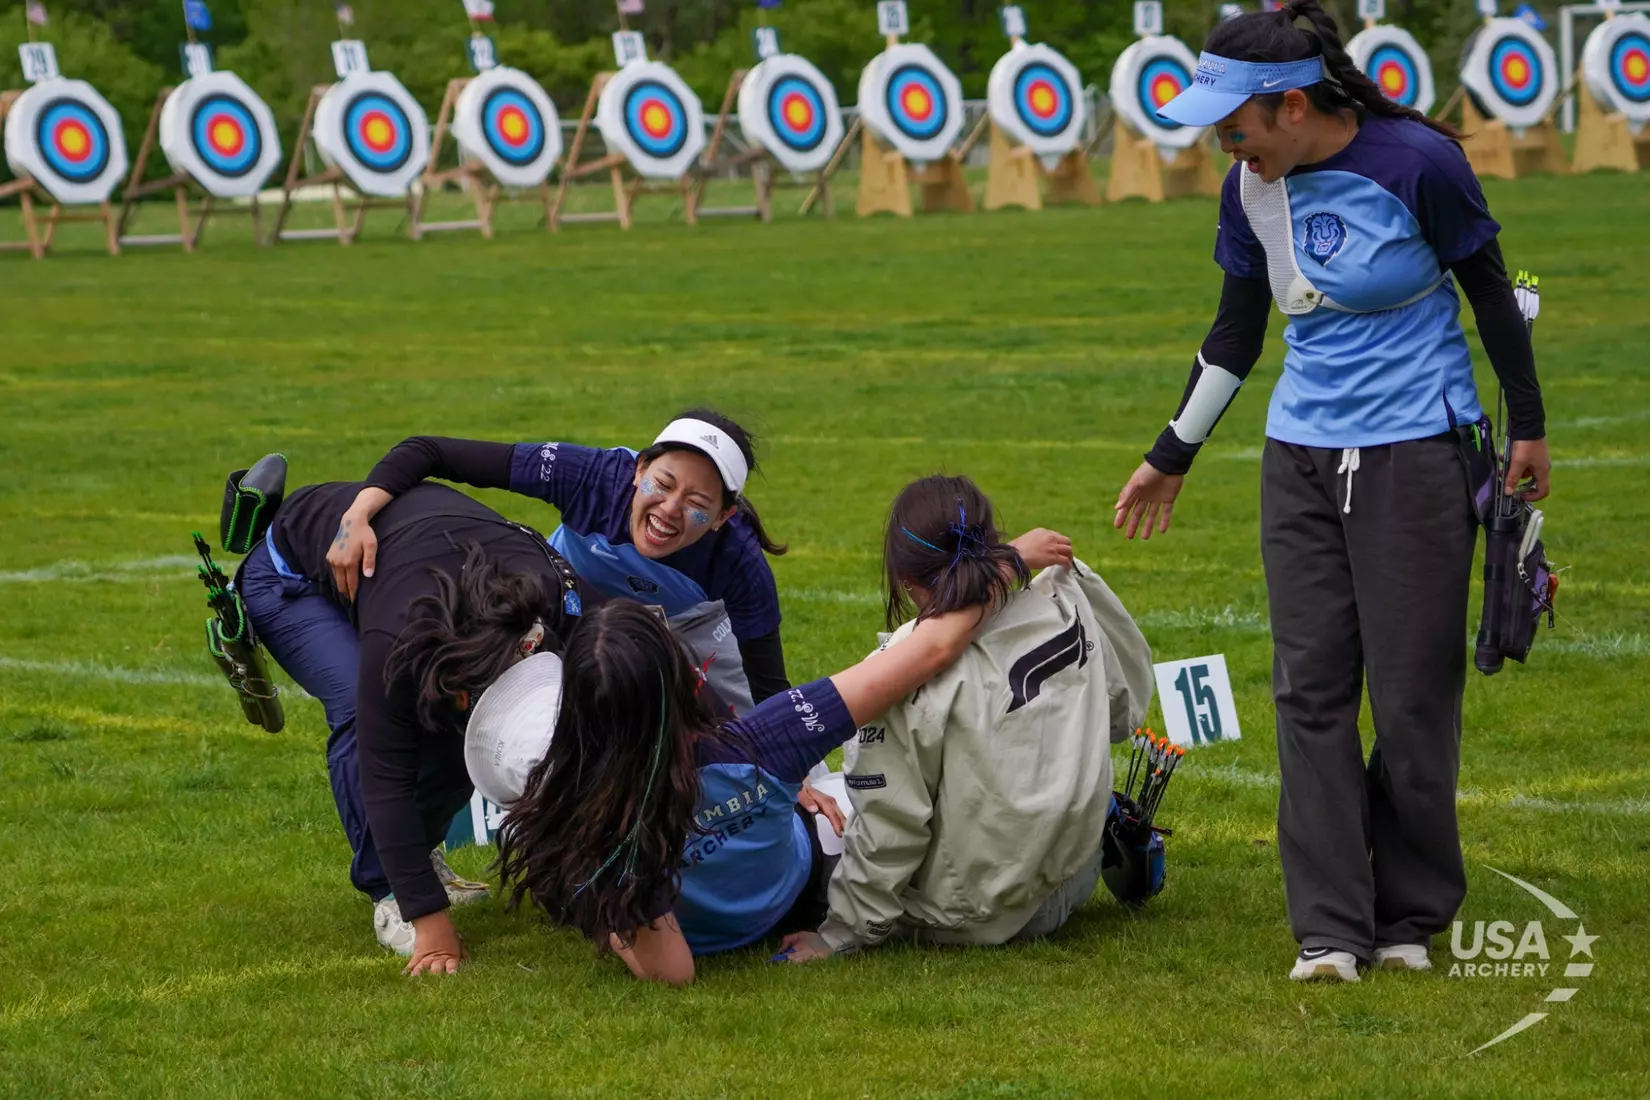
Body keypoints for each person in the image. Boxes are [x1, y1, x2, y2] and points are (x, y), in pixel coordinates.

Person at [1112, 0, 1550, 982]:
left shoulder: (1418, 166)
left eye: (1236, 126)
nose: (1223, 145)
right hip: (1300, 458)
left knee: (1408, 698)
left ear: (1295, 105)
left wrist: (1528, 425)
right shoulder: (1246, 190)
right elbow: (1235, 334)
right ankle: (1330, 930)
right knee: (1310, 692)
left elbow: (1488, 291)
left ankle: (1408, 912)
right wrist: (1170, 451)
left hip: (1420, 453)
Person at [482, 528, 1078, 985]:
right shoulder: (763, 740)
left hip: (730, 913)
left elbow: (671, 969)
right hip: (807, 888)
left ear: (578, 708)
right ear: (682, 679)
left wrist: (615, 918)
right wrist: (1009, 560)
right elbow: (930, 649)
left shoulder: (577, 809)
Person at [768, 475, 1154, 963]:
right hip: (1073, 880)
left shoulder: (898, 671)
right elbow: (1126, 708)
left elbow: (891, 828)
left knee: (814, 814)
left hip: (971, 915)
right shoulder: (1063, 586)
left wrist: (840, 934)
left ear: (907, 582)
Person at [237, 478, 594, 972]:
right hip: (290, 575)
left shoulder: (568, 606)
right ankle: (389, 892)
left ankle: (416, 862)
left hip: (413, 558)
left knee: (459, 736)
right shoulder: (400, 635)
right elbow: (384, 774)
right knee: (365, 717)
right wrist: (428, 919)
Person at [323, 409, 794, 704]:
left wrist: (793, 775)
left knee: (749, 722)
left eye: (697, 503)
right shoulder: (588, 476)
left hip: (689, 621)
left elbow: (769, 685)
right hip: (568, 598)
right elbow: (429, 451)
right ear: (639, 470)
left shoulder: (739, 560)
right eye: (664, 483)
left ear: (721, 517)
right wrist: (357, 515)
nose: (669, 509)